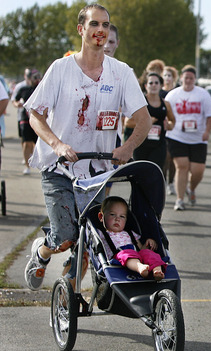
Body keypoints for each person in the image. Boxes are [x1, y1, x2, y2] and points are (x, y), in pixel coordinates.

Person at [23, 4, 152, 291]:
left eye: (106, 25)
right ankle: (42, 252)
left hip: (97, 172)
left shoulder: (121, 73)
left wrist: (127, 147)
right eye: (95, 24)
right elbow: (35, 114)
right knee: (66, 235)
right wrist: (57, 144)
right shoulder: (61, 69)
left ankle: (69, 295)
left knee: (90, 239)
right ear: (81, 29)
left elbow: (143, 119)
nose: (101, 31)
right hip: (59, 168)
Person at [166, 65, 211, 211]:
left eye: (191, 78)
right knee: (182, 166)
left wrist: (207, 131)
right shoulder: (173, 95)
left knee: (197, 170)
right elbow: (167, 115)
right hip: (177, 136)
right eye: (186, 78)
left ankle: (191, 189)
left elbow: (210, 116)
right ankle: (179, 200)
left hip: (198, 138)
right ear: (181, 78)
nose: (188, 81)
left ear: (195, 80)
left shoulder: (203, 94)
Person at [98, 196, 166, 280]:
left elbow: (140, 249)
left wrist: (147, 244)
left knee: (149, 253)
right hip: (119, 258)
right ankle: (140, 267)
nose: (117, 219)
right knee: (126, 254)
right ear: (101, 217)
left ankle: (157, 271)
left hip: (136, 255)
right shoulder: (102, 234)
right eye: (112, 214)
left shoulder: (130, 233)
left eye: (122, 216)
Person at [134, 72, 175, 170]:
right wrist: (147, 122)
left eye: (156, 83)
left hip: (158, 145)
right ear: (145, 85)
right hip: (141, 144)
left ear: (161, 85)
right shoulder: (140, 102)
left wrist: (168, 125)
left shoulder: (166, 104)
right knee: (139, 175)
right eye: (151, 83)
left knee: (155, 172)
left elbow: (173, 121)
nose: (154, 85)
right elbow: (128, 122)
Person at [13, 69, 42, 175]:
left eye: (38, 77)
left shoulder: (42, 89)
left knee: (37, 144)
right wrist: (17, 105)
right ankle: (27, 165)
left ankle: (38, 162)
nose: (36, 80)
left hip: (39, 121)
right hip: (25, 119)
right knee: (26, 143)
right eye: (34, 77)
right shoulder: (23, 89)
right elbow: (15, 100)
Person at [161, 65, 179, 195]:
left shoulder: (177, 92)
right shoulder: (158, 92)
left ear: (174, 78)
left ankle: (171, 182)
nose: (167, 78)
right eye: (165, 75)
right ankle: (164, 182)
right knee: (164, 158)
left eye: (169, 76)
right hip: (161, 130)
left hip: (175, 128)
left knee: (173, 158)